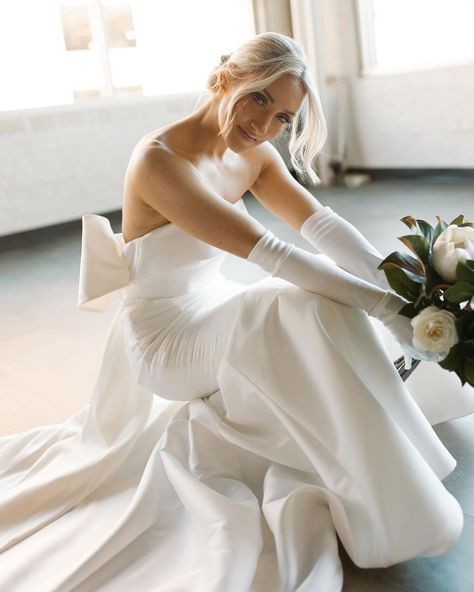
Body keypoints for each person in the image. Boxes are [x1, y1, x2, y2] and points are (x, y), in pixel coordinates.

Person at [0, 32, 468, 592]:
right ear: (228, 78)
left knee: (321, 307)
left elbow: (323, 228)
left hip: (211, 307)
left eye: (283, 118)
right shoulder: (159, 161)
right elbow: (274, 255)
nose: (265, 125)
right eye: (261, 99)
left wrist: (407, 290)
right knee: (290, 302)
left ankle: (390, 472)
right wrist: (385, 308)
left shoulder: (253, 154)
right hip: (163, 341)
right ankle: (388, 491)